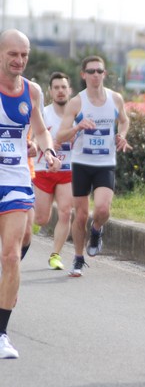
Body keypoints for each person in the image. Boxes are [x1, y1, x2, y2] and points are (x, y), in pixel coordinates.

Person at [0, 29, 61, 359]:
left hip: (16, 177)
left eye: (24, 55)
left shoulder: (32, 92)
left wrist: (47, 150)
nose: (19, 60)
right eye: (13, 54)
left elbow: (39, 131)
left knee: (16, 250)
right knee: (11, 254)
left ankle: (0, 333)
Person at [56, 55, 131, 277]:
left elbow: (125, 120)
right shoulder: (77, 102)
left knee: (102, 209)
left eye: (99, 71)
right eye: (91, 71)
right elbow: (60, 135)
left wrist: (122, 135)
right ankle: (78, 258)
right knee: (80, 216)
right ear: (83, 75)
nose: (96, 75)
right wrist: (78, 127)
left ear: (104, 74)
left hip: (105, 163)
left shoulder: (115, 99)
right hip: (80, 163)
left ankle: (97, 229)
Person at [33, 72, 74, 270]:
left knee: (66, 212)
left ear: (70, 90)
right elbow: (32, 140)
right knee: (42, 218)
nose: (60, 91)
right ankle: (28, 228)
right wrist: (48, 147)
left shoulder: (77, 115)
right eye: (56, 88)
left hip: (68, 170)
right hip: (43, 170)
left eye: (63, 87)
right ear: (50, 92)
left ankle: (55, 255)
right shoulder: (44, 114)